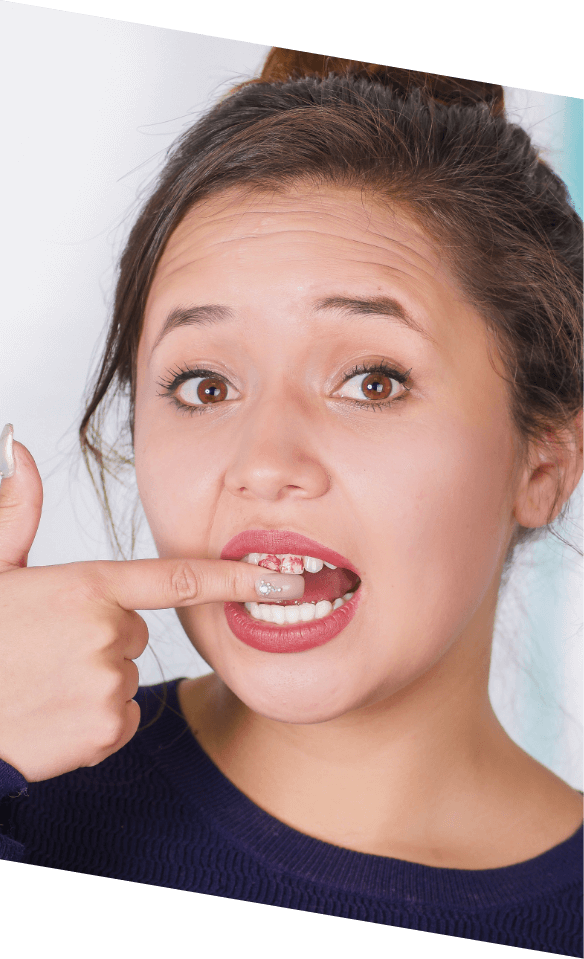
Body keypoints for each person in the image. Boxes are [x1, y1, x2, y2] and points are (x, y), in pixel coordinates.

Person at [0, 49, 582, 949]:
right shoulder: (29, 801)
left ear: (543, 463)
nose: (264, 463)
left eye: (374, 381)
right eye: (204, 386)